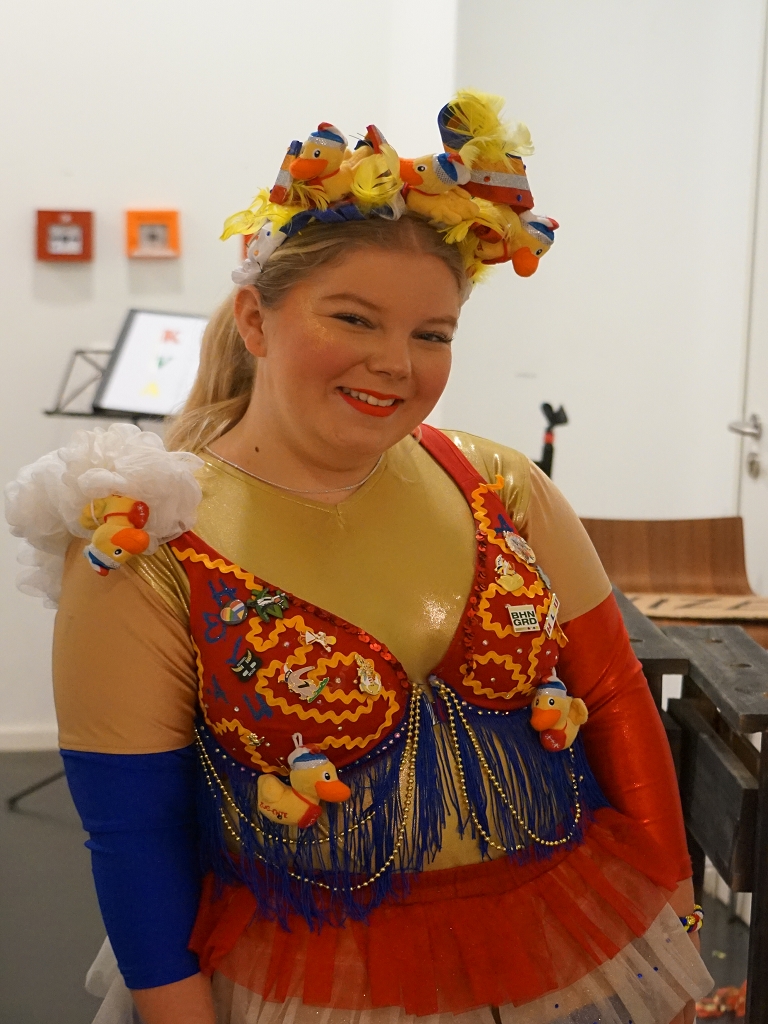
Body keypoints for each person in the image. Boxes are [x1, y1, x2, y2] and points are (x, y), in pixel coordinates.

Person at [6, 92, 712, 1024]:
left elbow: (615, 695)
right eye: (353, 318)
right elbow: (133, 829)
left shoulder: (501, 485)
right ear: (255, 321)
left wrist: (670, 900)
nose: (395, 364)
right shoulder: (149, 537)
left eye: (432, 335)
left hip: (565, 946)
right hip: (302, 982)